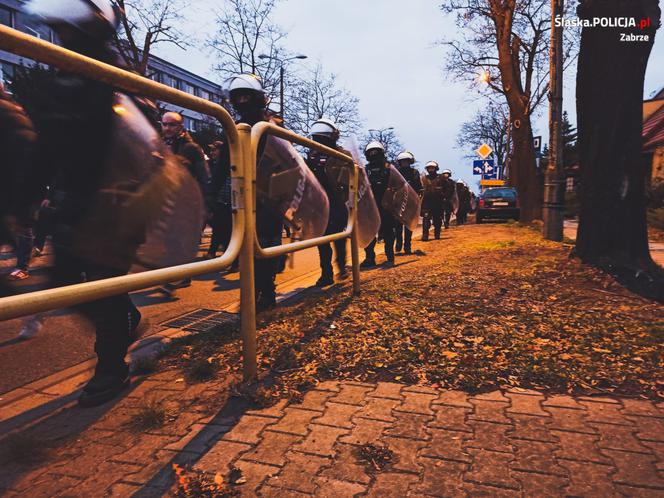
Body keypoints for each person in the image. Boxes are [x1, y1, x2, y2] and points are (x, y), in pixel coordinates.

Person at [23, 0, 152, 406]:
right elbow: (46, 146)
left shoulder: (115, 78)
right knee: (61, 281)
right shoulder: (60, 77)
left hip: (115, 201)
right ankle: (126, 323)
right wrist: (30, 198)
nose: (62, 36)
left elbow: (139, 140)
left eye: (69, 29)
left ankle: (111, 367)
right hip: (73, 197)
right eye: (58, 29)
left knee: (104, 284)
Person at [227, 73, 282, 311]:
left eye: (246, 95)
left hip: (268, 199)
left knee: (265, 248)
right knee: (246, 248)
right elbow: (225, 166)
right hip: (242, 197)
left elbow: (284, 164)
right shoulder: (232, 127)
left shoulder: (270, 128)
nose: (242, 100)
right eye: (237, 96)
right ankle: (252, 294)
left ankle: (266, 293)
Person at [157, 111, 212, 295]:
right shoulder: (161, 145)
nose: (167, 128)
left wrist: (206, 204)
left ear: (181, 127)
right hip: (166, 200)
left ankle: (179, 277)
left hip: (186, 203)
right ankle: (177, 275)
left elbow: (204, 177)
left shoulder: (191, 148)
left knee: (180, 240)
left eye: (172, 124)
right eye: (164, 124)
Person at [306, 118, 350, 286]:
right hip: (317, 205)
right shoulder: (313, 155)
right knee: (322, 241)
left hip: (337, 203)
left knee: (338, 238)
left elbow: (350, 178)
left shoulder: (342, 154)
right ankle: (326, 273)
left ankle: (341, 266)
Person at [362, 141, 397, 267]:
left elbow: (398, 185)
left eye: (376, 152)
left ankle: (390, 257)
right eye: (371, 153)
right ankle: (369, 258)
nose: (373, 155)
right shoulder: (364, 170)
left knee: (388, 232)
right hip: (370, 205)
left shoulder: (390, 169)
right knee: (370, 233)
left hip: (386, 205)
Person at [206, 140, 234, 262]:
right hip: (219, 202)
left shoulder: (224, 166)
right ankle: (214, 252)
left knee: (224, 230)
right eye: (211, 150)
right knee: (219, 228)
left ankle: (232, 258)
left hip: (225, 203)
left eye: (214, 150)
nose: (211, 152)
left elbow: (226, 185)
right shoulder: (214, 164)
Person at [394, 151, 423, 254]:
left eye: (407, 161)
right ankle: (398, 242)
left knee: (408, 226)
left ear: (410, 162)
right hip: (398, 202)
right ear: (400, 162)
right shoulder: (396, 172)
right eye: (403, 162)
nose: (405, 163)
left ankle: (407, 246)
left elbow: (418, 187)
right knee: (397, 225)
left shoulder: (415, 172)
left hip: (410, 202)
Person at [421, 161, 444, 241]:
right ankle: (425, 235)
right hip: (427, 203)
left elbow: (447, 189)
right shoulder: (424, 178)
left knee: (437, 220)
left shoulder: (441, 178)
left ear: (436, 169)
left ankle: (437, 234)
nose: (431, 170)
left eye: (432, 168)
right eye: (429, 168)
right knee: (426, 219)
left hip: (438, 203)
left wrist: (442, 194)